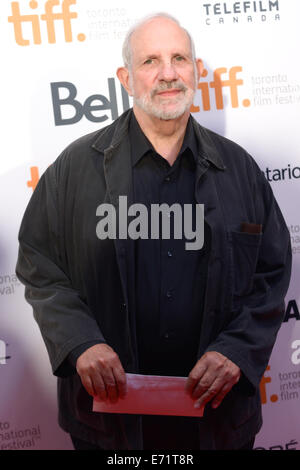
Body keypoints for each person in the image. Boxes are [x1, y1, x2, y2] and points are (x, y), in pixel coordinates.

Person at [16, 13, 291, 450]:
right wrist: (80, 343)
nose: (168, 73)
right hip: (111, 425)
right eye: (151, 61)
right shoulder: (74, 168)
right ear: (126, 77)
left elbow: (271, 274)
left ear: (196, 72)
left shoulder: (239, 169)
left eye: (179, 58)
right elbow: (38, 262)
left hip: (215, 422)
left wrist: (237, 351)